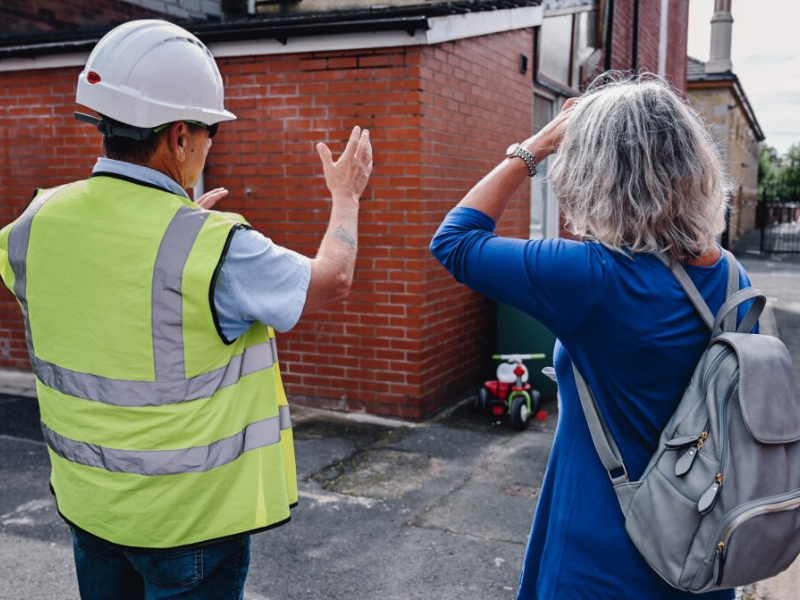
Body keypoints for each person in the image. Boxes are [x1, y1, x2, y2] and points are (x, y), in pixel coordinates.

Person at [0, 19, 372, 600]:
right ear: (179, 137)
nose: (207, 145)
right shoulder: (214, 247)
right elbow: (332, 281)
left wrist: (185, 218)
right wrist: (346, 195)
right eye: (208, 134)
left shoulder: (33, 223)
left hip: (90, 508)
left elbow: (109, 285)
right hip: (188, 524)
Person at [430, 73, 753, 599]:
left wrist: (539, 143)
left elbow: (455, 241)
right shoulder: (735, 280)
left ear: (594, 175)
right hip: (701, 557)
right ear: (695, 167)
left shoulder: (593, 278)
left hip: (600, 561)